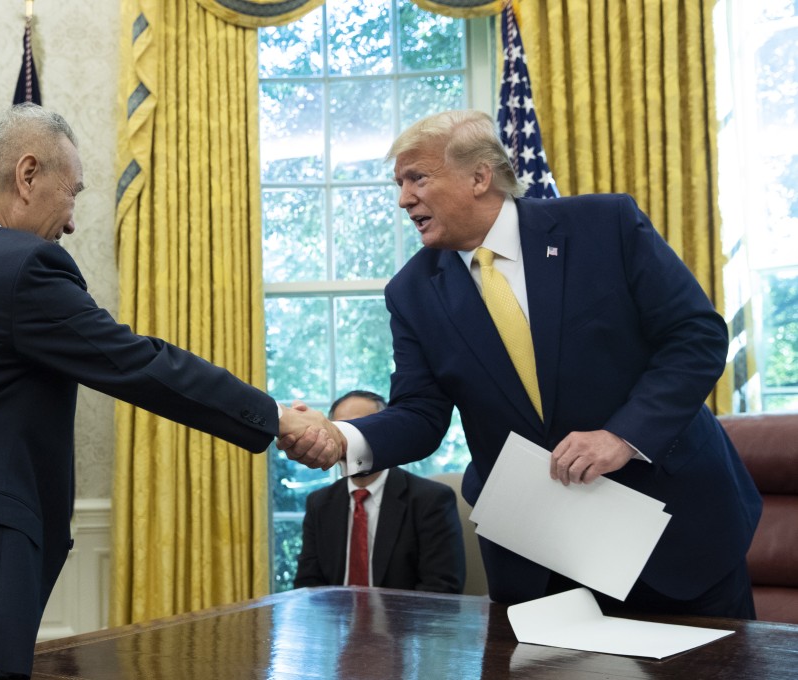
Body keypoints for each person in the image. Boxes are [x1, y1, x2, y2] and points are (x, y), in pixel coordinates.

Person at [0, 103, 337, 680]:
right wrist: (277, 417)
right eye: (72, 194)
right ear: (27, 175)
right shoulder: (16, 265)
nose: (71, 223)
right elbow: (138, 362)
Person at [279, 109, 762, 621]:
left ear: (479, 177)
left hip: (674, 534)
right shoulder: (411, 292)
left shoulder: (605, 225)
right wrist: (340, 438)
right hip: (540, 559)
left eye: (417, 178)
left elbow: (696, 337)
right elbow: (420, 414)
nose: (403, 199)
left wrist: (622, 436)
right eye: (399, 184)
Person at [293, 390, 465, 593]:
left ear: (385, 434)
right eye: (341, 431)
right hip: (336, 613)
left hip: (404, 613)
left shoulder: (431, 500)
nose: (349, 441)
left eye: (361, 430)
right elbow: (308, 585)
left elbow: (441, 589)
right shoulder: (319, 502)